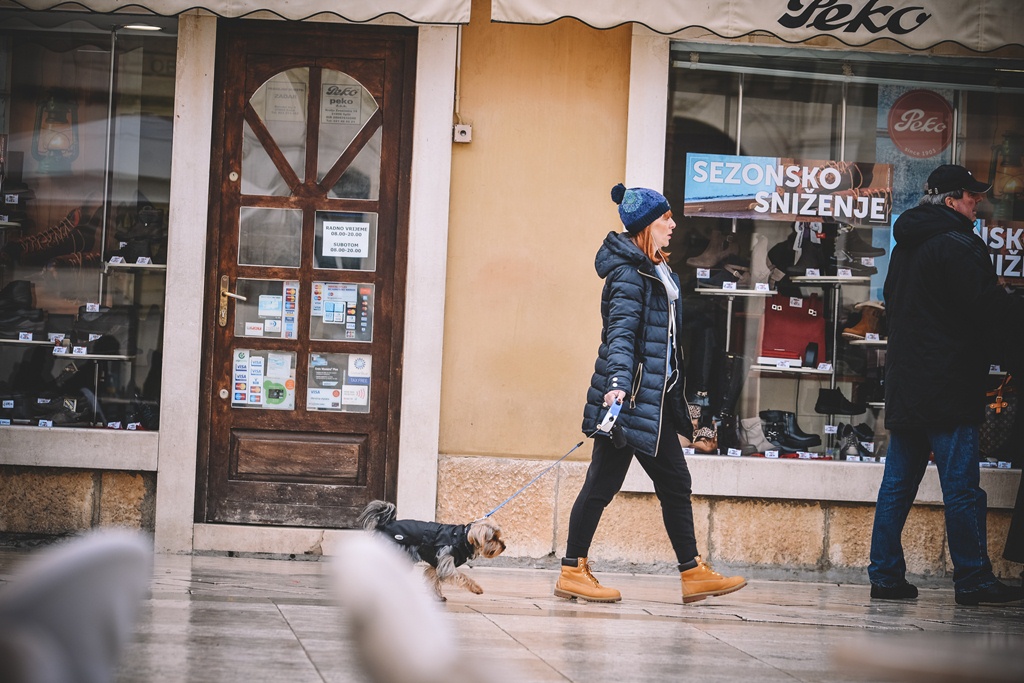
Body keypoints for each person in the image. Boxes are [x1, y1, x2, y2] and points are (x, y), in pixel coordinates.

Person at [553, 183, 746, 604]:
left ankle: (691, 572)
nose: (673, 225)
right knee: (607, 484)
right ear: (645, 226)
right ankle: (573, 571)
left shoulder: (657, 270)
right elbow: (620, 335)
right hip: (631, 402)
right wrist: (617, 385)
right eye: (665, 218)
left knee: (670, 482)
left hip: (653, 402)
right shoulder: (629, 274)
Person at [870, 163, 1024, 605]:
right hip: (949, 383)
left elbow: (893, 301)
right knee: (962, 489)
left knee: (897, 486)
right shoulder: (960, 243)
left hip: (908, 383)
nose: (978, 204)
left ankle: (885, 576)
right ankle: (973, 579)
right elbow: (986, 309)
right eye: (972, 197)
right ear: (952, 200)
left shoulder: (907, 245)